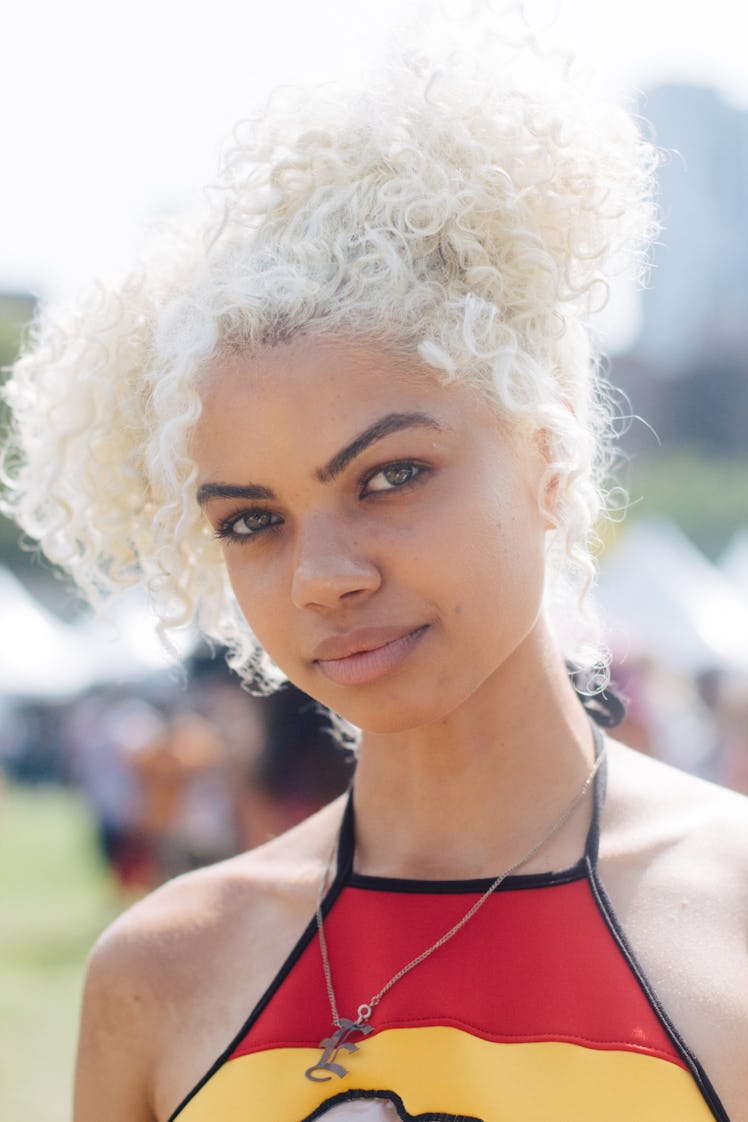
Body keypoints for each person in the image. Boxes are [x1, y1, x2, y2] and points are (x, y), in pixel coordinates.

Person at [2, 19, 747, 1122]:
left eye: (391, 475)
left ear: (548, 462)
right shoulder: (159, 976)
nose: (323, 575)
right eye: (253, 519)